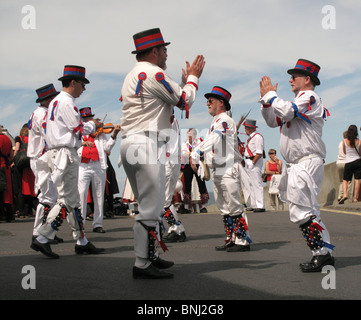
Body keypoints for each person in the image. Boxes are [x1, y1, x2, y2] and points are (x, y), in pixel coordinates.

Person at [120, 27, 205, 278]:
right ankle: (142, 263)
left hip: (131, 143)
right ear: (155, 51)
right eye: (164, 50)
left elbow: (163, 99)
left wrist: (180, 84)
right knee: (150, 208)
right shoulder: (154, 72)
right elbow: (184, 100)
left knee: (150, 206)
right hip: (146, 143)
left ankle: (149, 256)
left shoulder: (133, 75)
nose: (167, 54)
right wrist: (193, 79)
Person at [259, 58, 334, 272]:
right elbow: (273, 120)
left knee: (304, 211)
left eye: (294, 76)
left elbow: (288, 111)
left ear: (307, 79)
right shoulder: (298, 100)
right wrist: (267, 102)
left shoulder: (309, 97)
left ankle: (323, 253)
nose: (290, 80)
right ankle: (321, 252)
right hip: (298, 165)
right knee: (303, 211)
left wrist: (271, 96)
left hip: (306, 162)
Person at [31, 65, 104, 259]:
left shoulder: (56, 101)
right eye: (82, 84)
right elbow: (78, 129)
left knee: (71, 200)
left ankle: (81, 240)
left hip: (59, 153)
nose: (84, 88)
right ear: (73, 82)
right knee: (66, 200)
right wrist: (93, 124)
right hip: (66, 153)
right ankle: (44, 236)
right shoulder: (66, 102)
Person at [191, 86, 252, 252]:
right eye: (207, 101)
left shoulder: (225, 120)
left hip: (227, 169)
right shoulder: (216, 121)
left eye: (211, 101)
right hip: (218, 170)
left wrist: (197, 151)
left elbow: (216, 138)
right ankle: (231, 237)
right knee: (224, 208)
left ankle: (242, 240)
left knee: (234, 205)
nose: (207, 103)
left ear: (221, 103)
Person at [77, 107, 120, 233]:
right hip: (83, 165)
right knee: (81, 194)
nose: (88, 121)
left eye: (89, 118)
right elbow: (73, 147)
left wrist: (114, 135)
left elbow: (107, 147)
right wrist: (83, 145)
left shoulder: (100, 134)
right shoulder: (79, 133)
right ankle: (81, 224)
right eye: (85, 119)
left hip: (98, 165)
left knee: (99, 195)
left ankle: (98, 224)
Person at [27, 84, 61, 243]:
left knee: (51, 196)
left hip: (40, 157)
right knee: (48, 196)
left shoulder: (38, 113)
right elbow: (49, 136)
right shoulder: (43, 115)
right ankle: (38, 232)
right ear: (48, 100)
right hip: (42, 157)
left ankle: (45, 231)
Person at [162, 117, 187, 242]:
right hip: (170, 161)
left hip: (168, 162)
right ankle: (175, 229)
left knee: (164, 200)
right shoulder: (170, 119)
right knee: (165, 199)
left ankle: (177, 229)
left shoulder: (168, 119)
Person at [181, 128, 209, 213]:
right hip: (187, 166)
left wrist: (192, 155)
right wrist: (192, 154)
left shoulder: (198, 142)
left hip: (197, 165)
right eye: (188, 134)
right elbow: (184, 153)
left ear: (195, 135)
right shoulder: (184, 144)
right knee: (187, 185)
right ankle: (186, 207)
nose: (189, 136)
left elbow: (201, 151)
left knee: (201, 184)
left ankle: (203, 207)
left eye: (192, 134)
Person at [14, 124, 37, 217]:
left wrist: (14, 159)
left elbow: (17, 149)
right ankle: (31, 210)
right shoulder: (32, 139)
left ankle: (22, 210)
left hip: (22, 164)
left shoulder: (19, 138)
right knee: (32, 187)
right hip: (31, 164)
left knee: (22, 187)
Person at [244, 119, 265, 212]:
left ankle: (260, 205)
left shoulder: (257, 137)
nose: (244, 129)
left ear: (249, 128)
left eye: (245, 127)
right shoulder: (252, 138)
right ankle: (254, 204)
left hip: (254, 161)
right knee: (251, 184)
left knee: (257, 183)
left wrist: (253, 163)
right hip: (249, 161)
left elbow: (259, 152)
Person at [339, 124, 361, 204]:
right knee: (357, 180)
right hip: (358, 162)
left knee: (345, 180)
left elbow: (344, 152)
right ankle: (355, 198)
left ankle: (345, 195)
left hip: (348, 162)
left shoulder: (344, 141)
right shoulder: (359, 141)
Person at [0, 126, 14, 222]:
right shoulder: (7, 139)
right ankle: (9, 214)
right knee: (7, 192)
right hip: (6, 167)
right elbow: (12, 155)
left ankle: (2, 214)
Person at [336, 131, 349, 201]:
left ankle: (339, 196)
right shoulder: (347, 143)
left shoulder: (340, 143)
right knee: (348, 180)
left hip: (339, 163)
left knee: (341, 181)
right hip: (346, 162)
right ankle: (347, 195)